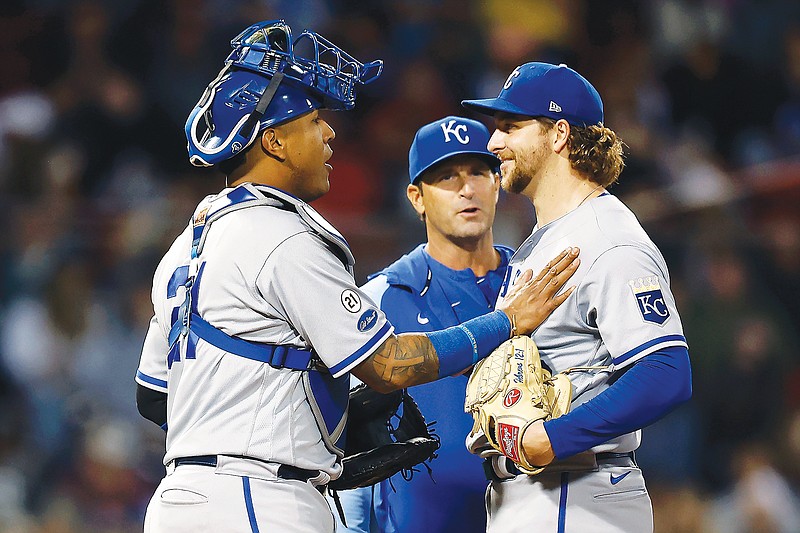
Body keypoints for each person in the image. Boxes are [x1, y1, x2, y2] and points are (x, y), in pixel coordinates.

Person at [133, 22, 580, 533]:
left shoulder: (190, 241)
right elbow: (388, 367)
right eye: (314, 119)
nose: (329, 133)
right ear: (274, 140)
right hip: (258, 499)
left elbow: (154, 396)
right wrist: (504, 323)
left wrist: (299, 414)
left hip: (182, 500)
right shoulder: (283, 236)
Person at [460, 62, 693, 532]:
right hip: (534, 494)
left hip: (575, 493)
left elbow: (667, 372)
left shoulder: (609, 238)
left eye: (511, 126)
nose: (493, 142)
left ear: (559, 133)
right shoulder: (543, 238)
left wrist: (551, 439)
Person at [335, 116, 510, 532]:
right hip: (418, 516)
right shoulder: (379, 298)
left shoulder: (531, 281)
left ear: (498, 183)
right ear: (417, 197)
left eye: (478, 173)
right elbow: (346, 440)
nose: (467, 189)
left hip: (530, 507)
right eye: (446, 177)